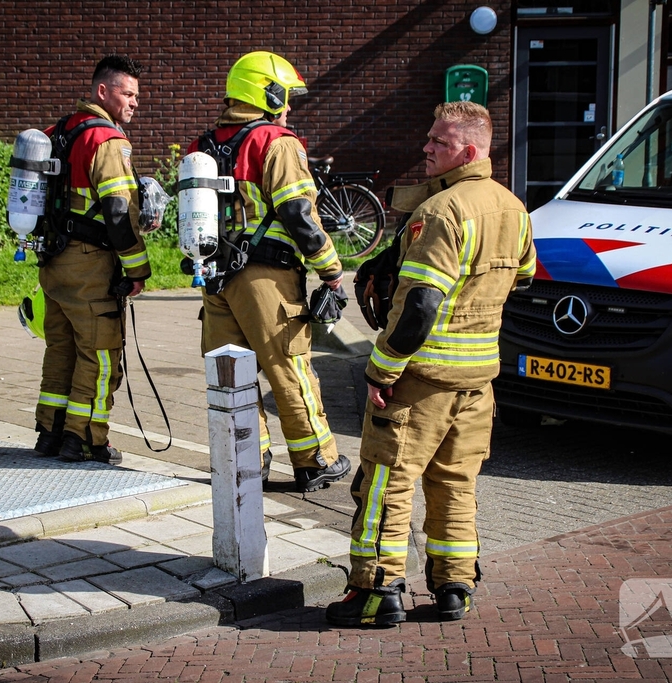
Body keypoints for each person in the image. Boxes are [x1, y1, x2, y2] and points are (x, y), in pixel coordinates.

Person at [326, 101, 536, 626]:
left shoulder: (440, 213)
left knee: (385, 485)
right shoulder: (514, 208)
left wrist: (382, 369)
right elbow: (526, 276)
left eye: (438, 142)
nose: (426, 148)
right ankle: (453, 589)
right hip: (478, 382)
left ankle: (376, 593)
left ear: (467, 150)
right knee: (455, 484)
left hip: (420, 382)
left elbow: (420, 305)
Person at [187, 51, 351, 492]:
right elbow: (299, 215)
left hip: (215, 278)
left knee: (231, 375)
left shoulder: (203, 146)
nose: (290, 106)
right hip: (267, 279)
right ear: (269, 92)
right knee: (289, 368)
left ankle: (246, 461)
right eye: (287, 96)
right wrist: (331, 270)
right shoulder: (277, 142)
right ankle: (315, 460)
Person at [32, 55, 150, 464]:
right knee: (99, 356)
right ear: (103, 91)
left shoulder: (56, 132)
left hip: (53, 262)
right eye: (127, 93)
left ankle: (49, 433)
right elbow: (118, 213)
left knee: (60, 351)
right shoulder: (108, 141)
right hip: (89, 265)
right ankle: (84, 438)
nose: (134, 102)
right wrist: (137, 268)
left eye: (137, 95)